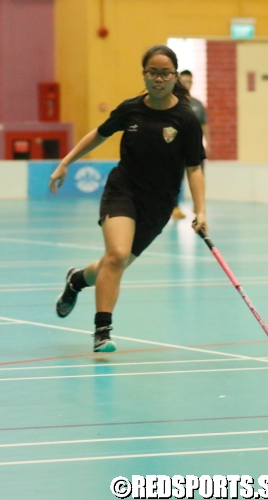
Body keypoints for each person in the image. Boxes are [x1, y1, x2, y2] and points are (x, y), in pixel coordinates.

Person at [48, 45, 207, 353]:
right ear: (144, 74)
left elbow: (194, 169)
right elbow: (99, 133)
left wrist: (200, 211)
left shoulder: (186, 119)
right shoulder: (131, 109)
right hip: (123, 191)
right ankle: (102, 331)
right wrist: (66, 161)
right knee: (117, 255)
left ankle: (77, 280)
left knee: (114, 264)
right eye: (153, 73)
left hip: (159, 204)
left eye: (165, 73)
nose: (159, 79)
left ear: (175, 76)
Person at [172, 69, 211, 219]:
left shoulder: (198, 104)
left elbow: (204, 124)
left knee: (199, 175)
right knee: (177, 178)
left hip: (194, 148)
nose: (187, 84)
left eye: (189, 82)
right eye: (184, 81)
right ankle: (175, 206)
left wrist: (208, 142)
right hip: (177, 149)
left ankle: (198, 206)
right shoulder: (173, 102)